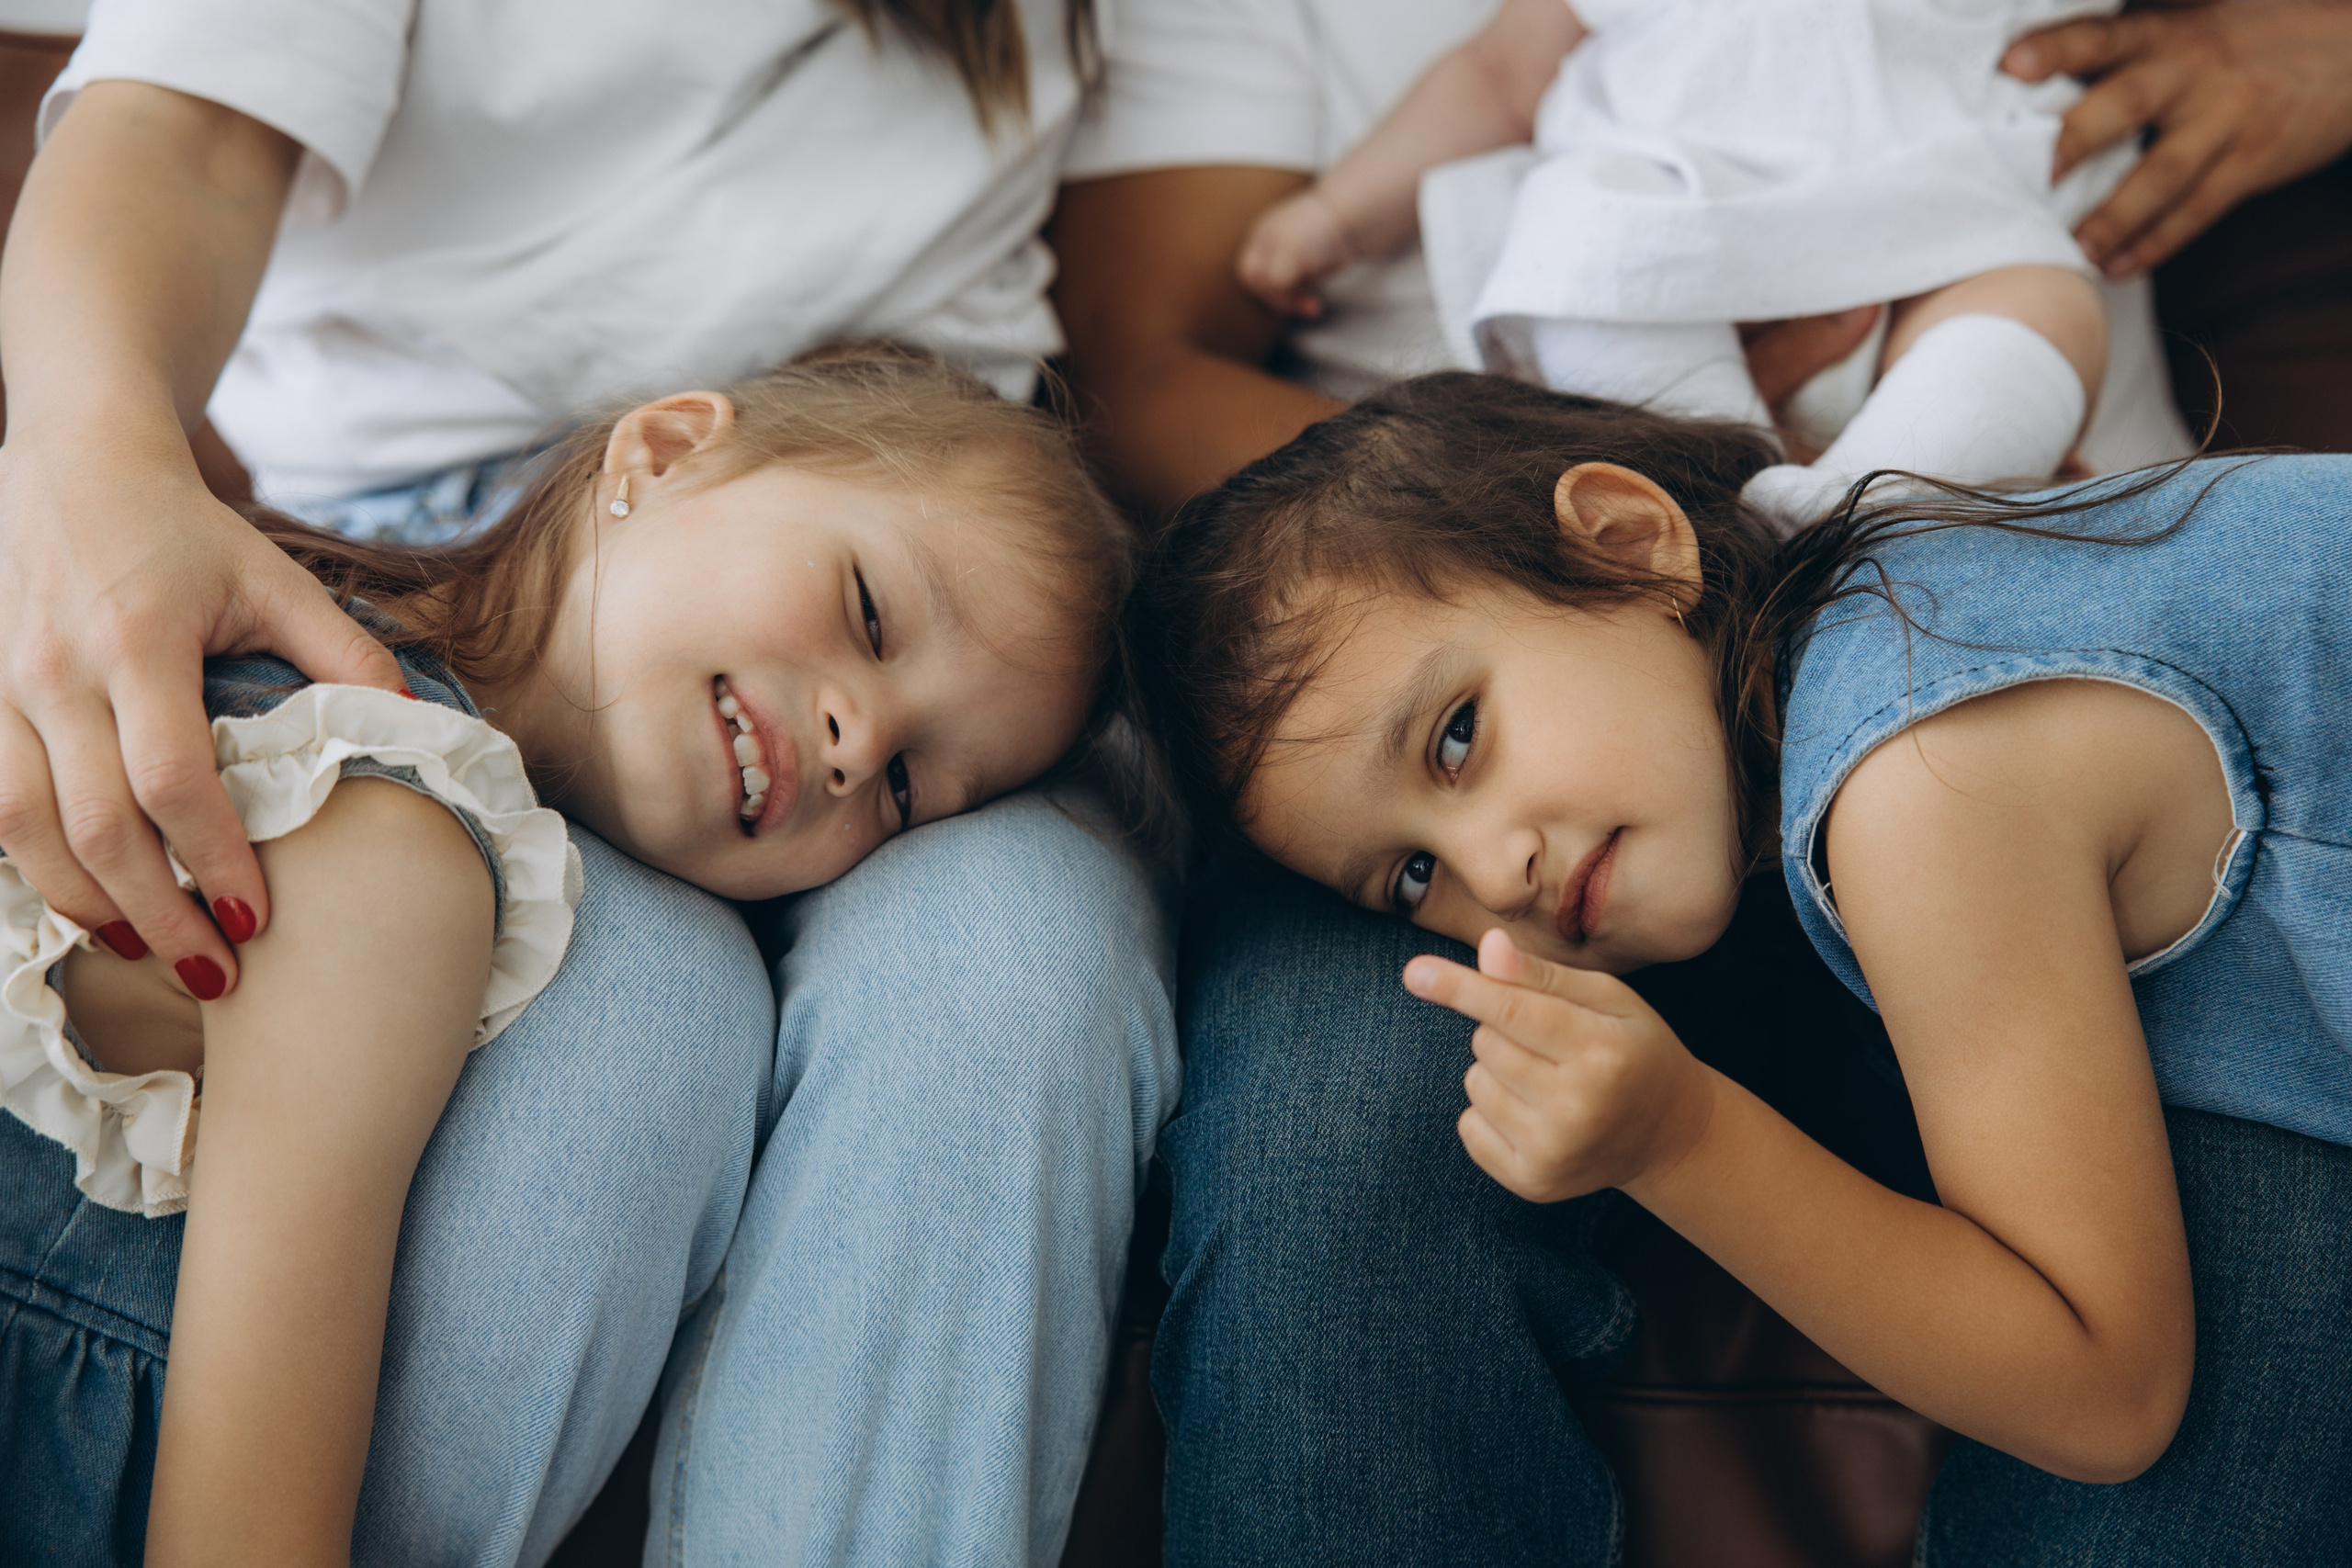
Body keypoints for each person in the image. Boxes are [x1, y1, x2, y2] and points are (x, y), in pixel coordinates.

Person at [0, 3, 1177, 1562]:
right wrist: (90, 469)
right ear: (662, 447)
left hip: (979, 534)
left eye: (898, 785)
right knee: (645, 1010)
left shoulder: (899, 716)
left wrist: (930, 718)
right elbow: (185, 129)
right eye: (865, 634)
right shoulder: (363, 810)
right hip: (439, 520)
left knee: (1012, 961)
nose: (854, 747)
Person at [1131, 375, 2352, 1562]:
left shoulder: (1919, 783)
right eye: (1409, 877)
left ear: (1625, 542)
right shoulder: (1860, 628)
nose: (1491, 875)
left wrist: (1679, 1135)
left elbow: (2108, 1393)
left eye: (1458, 736)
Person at [1235, 0, 2136, 532]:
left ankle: (1864, 516)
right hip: (1675, 222)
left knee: (2043, 306)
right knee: (1582, 248)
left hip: (1944, 237)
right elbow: (1498, 79)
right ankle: (1716, 507)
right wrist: (1340, 212)